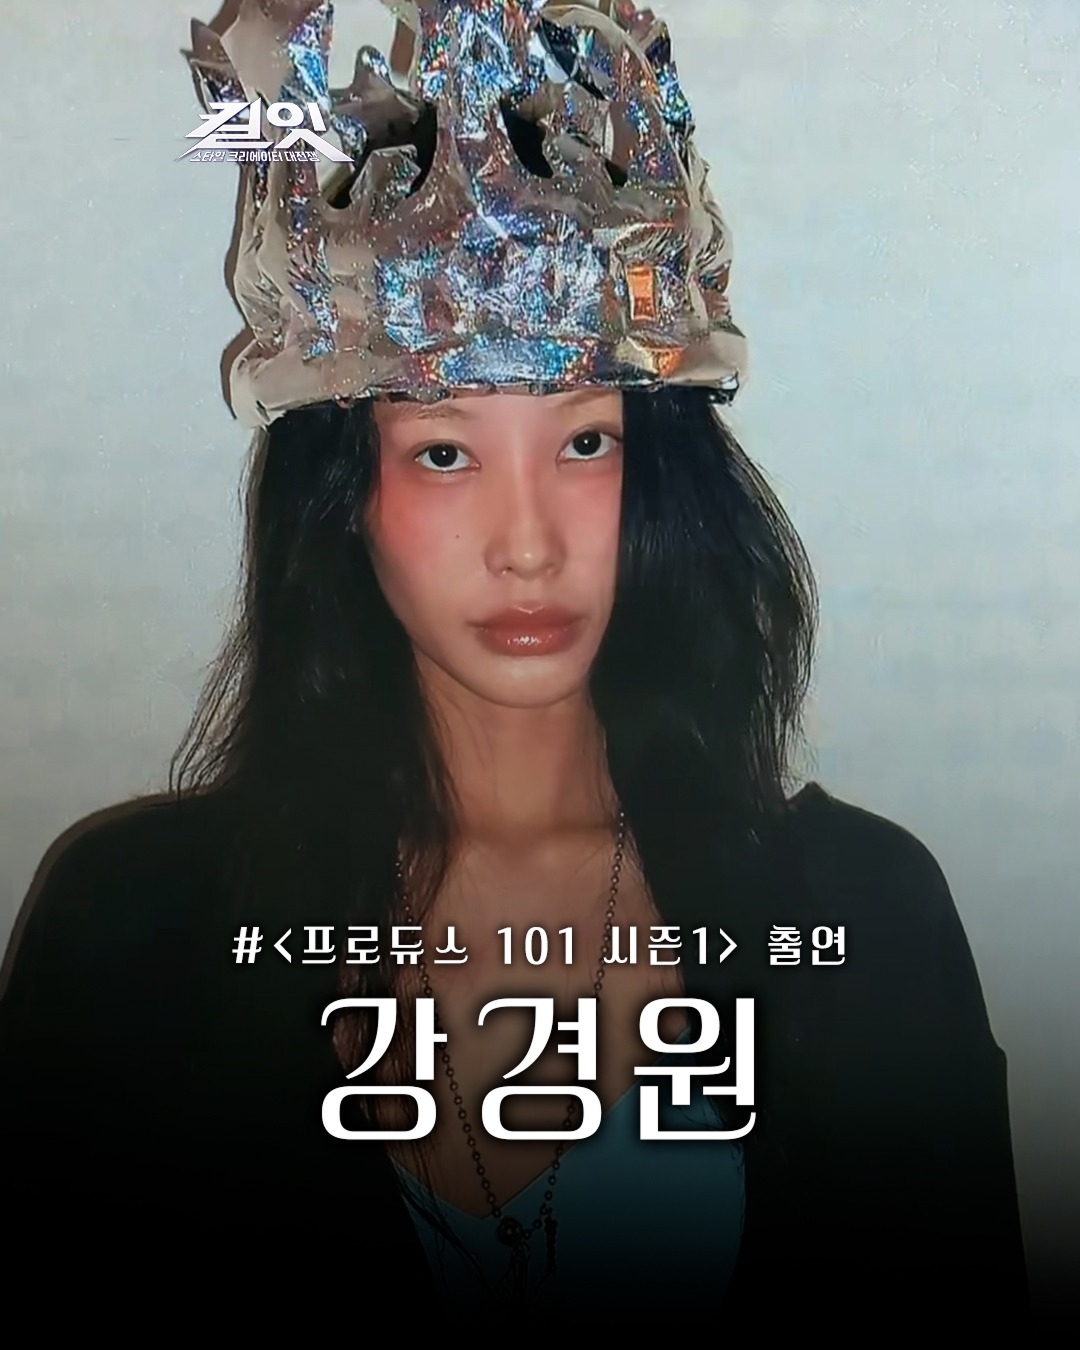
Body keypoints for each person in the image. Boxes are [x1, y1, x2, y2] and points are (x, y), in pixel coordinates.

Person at [0, 0, 1026, 1330]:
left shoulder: (864, 923)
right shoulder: (133, 933)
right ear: (346, 500)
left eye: (585, 443)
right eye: (445, 453)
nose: (529, 546)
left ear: (657, 474)